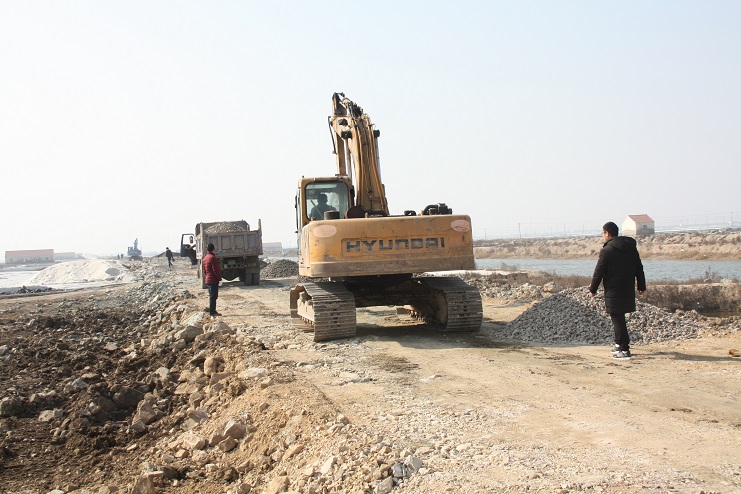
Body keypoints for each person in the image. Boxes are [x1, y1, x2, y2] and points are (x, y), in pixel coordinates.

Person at [589, 221, 646, 360]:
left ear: (607, 233)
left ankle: (624, 350)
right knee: (618, 318)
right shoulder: (631, 248)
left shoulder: (607, 251)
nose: (603, 235)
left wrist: (593, 289)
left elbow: (599, 271)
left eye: (603, 233)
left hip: (613, 290)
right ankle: (618, 344)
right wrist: (641, 286)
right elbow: (639, 268)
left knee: (617, 319)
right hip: (627, 288)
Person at [202, 243, 222, 316]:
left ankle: (212, 310)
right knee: (213, 297)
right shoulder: (213, 258)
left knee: (212, 296)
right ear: (213, 249)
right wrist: (219, 279)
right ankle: (212, 312)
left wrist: (208, 276)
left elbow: (204, 270)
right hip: (213, 280)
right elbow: (216, 270)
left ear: (207, 250)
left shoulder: (204, 258)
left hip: (208, 280)